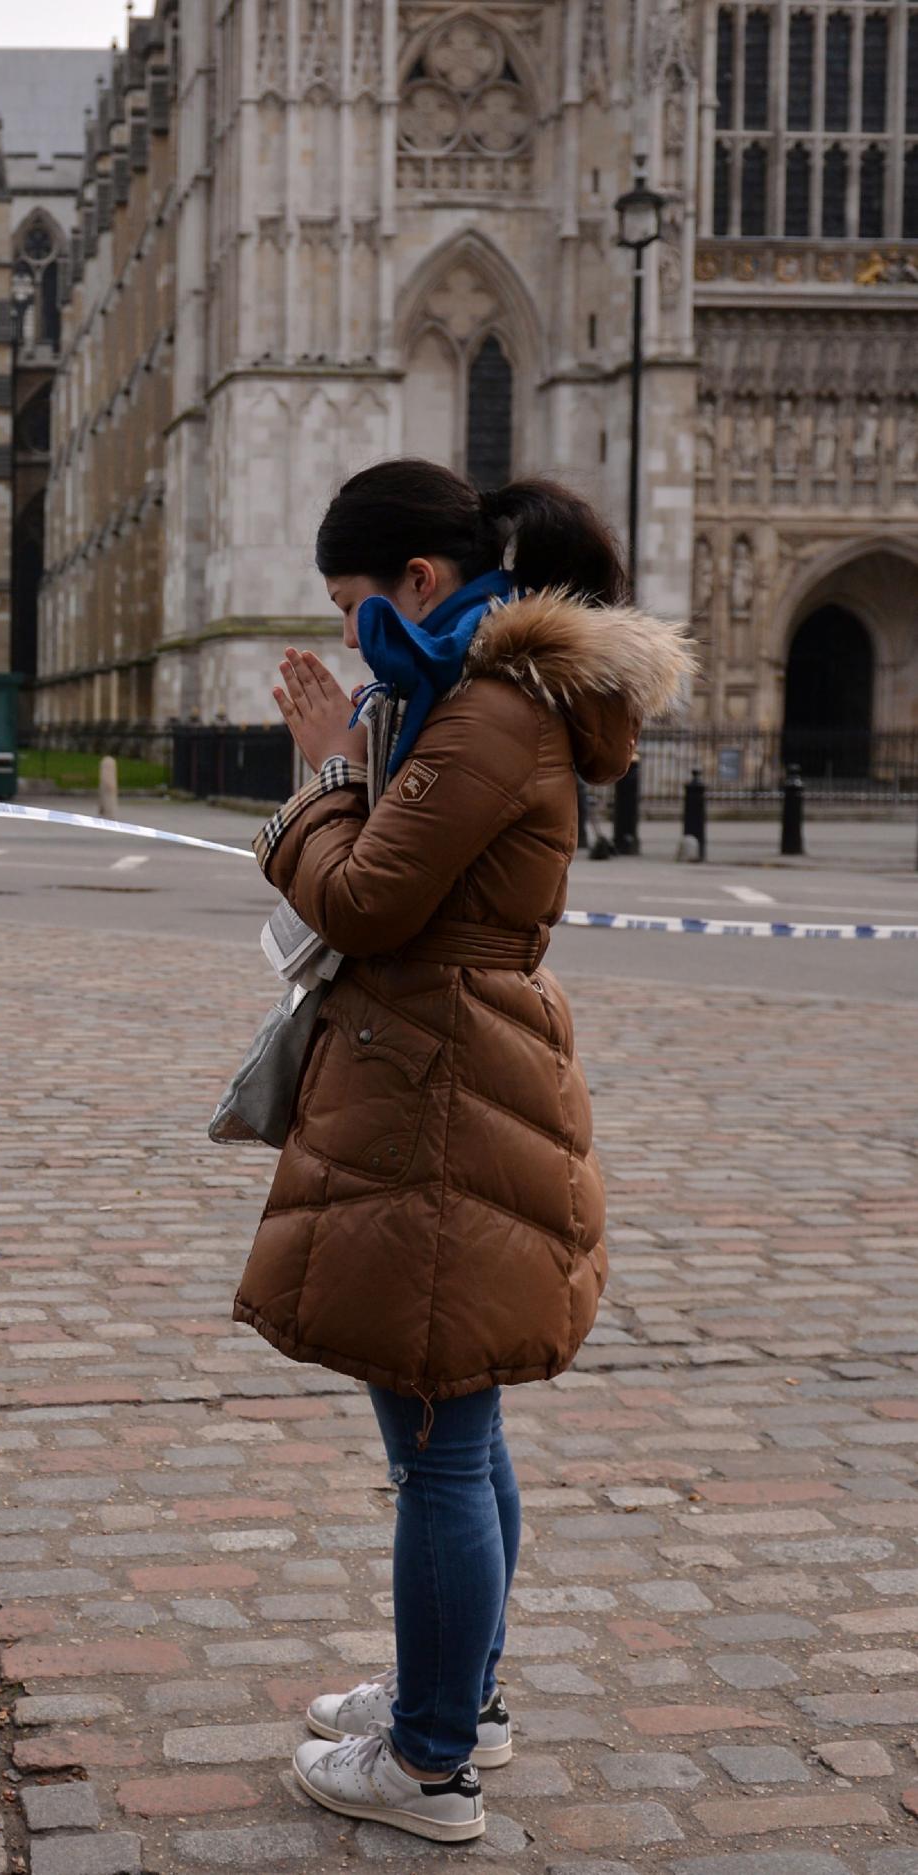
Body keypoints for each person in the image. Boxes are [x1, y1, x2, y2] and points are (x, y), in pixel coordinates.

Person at [239, 458, 694, 1843]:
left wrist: (318, 779)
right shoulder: (474, 697)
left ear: (421, 585)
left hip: (440, 1080)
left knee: (439, 1429)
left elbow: (373, 899)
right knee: (449, 1418)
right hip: (434, 1067)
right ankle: (459, 1694)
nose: (342, 638)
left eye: (350, 605)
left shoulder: (491, 708)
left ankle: (434, 1763)